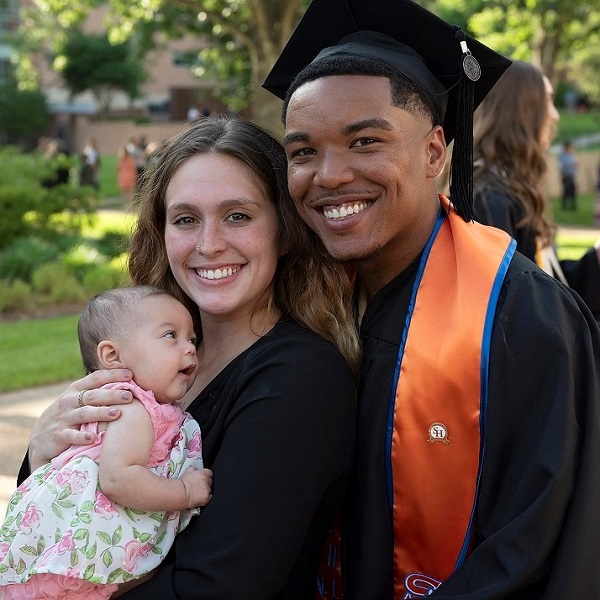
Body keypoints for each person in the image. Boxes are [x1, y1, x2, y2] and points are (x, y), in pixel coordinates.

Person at [262, 0, 600, 597]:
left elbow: (539, 546)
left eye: (365, 141)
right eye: (303, 151)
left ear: (436, 151)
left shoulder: (521, 318)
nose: (330, 175)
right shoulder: (294, 308)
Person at [17, 116, 360, 598]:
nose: (209, 244)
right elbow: (70, 499)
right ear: (161, 232)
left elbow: (216, 587)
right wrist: (40, 455)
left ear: (284, 231)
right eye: (185, 219)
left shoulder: (299, 380)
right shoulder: (149, 355)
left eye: (238, 215)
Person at [0, 285, 212, 599]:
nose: (190, 347)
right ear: (112, 356)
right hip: (81, 559)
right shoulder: (131, 407)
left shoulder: (118, 408)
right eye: (171, 336)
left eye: (192, 338)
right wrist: (185, 491)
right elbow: (118, 479)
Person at [472, 61, 600, 322]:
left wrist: (595, 259)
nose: (555, 115)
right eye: (548, 101)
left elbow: (546, 284)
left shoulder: (510, 189)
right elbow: (514, 313)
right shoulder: (488, 200)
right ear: (520, 110)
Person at [558, 140, 577, 210]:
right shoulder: (561, 156)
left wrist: (575, 165)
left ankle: (573, 205)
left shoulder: (572, 155)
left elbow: (574, 164)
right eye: (570, 147)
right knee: (566, 191)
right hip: (565, 175)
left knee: (573, 190)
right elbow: (560, 166)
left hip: (572, 175)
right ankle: (564, 206)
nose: (571, 149)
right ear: (566, 148)